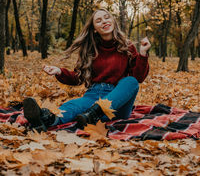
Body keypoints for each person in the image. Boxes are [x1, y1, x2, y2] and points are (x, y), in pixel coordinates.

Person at [23, 8, 151, 132]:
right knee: (72, 106)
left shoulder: (127, 46)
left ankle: (96, 112)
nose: (104, 21)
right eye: (99, 20)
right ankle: (45, 120)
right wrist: (59, 72)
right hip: (93, 96)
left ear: (113, 21)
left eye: (107, 18)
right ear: (94, 29)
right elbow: (78, 77)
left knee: (131, 81)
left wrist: (143, 55)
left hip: (117, 103)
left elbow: (138, 77)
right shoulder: (90, 49)